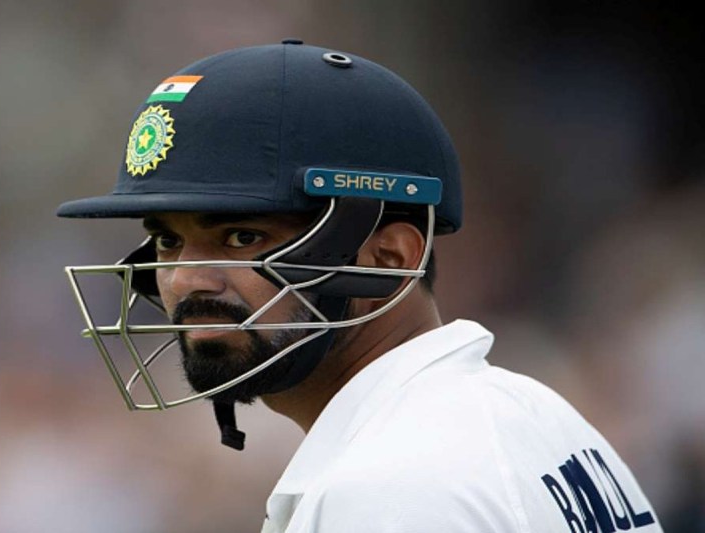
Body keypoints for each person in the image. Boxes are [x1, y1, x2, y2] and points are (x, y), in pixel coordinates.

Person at [57, 41, 663, 532]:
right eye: (168, 240)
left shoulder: (389, 488)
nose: (187, 277)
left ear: (389, 258)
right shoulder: (531, 414)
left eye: (241, 237)